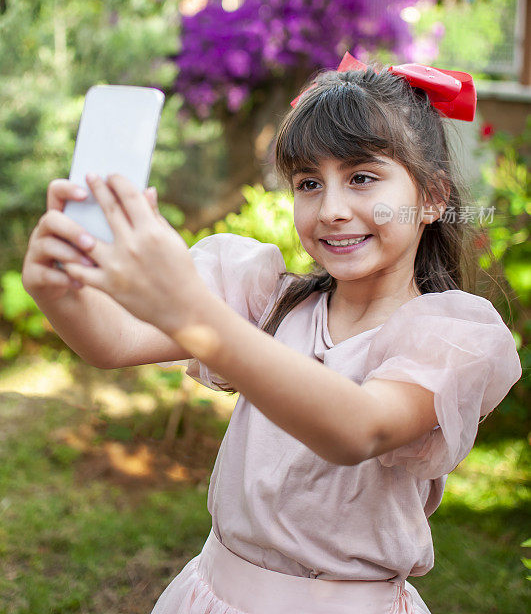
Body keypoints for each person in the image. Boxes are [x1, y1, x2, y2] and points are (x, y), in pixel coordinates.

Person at [21, 52, 522, 614]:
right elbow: (112, 342)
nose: (331, 209)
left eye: (361, 178)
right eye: (309, 183)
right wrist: (60, 290)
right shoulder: (270, 299)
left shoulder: (452, 336)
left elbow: (357, 427)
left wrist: (191, 313)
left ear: (430, 198)